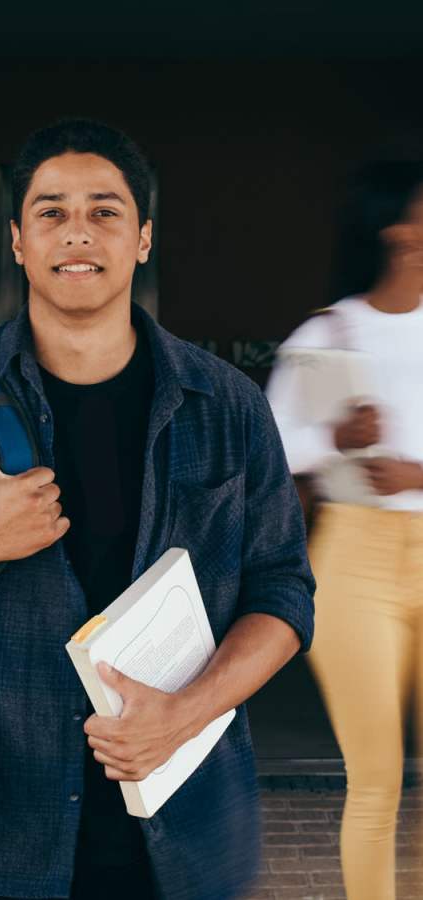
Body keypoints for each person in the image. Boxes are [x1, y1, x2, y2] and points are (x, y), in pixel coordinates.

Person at [0, 118, 315, 900]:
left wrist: (184, 711)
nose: (76, 232)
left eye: (104, 211)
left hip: (188, 838)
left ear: (143, 238)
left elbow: (284, 591)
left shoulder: (228, 405)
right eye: (51, 212)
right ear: (17, 241)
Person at [266, 161, 423, 900]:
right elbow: (275, 455)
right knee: (377, 778)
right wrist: (336, 435)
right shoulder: (330, 332)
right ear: (400, 230)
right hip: (354, 559)